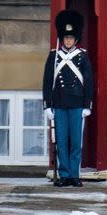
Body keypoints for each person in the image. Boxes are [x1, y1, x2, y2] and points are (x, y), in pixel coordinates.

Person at [42, 10, 94, 187]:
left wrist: (88, 104)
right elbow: (47, 82)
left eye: (71, 38)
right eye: (66, 38)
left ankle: (74, 174)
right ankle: (64, 174)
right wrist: (47, 105)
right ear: (62, 39)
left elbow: (88, 82)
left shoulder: (82, 56)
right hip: (60, 105)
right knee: (62, 142)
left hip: (77, 105)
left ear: (76, 39)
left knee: (75, 143)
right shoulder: (53, 56)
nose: (68, 41)